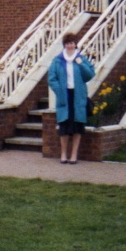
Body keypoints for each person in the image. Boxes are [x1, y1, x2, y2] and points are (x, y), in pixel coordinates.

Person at [47, 33, 95, 164]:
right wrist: (60, 91)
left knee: (77, 126)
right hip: (65, 96)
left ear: (75, 44)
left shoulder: (81, 59)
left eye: (72, 43)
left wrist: (81, 64)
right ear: (64, 45)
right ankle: (63, 154)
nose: (70, 45)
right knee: (64, 126)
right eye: (67, 43)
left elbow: (90, 75)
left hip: (78, 96)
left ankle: (74, 155)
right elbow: (52, 79)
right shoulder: (57, 60)